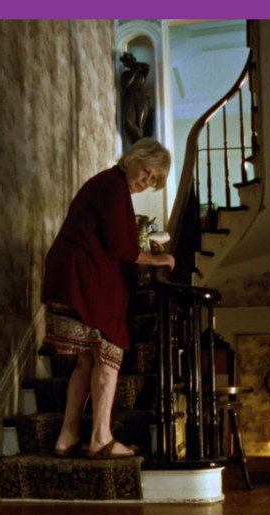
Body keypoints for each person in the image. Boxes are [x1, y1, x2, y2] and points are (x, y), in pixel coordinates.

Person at [42, 138, 175, 459]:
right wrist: (159, 260)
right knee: (107, 356)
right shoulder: (113, 187)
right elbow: (121, 247)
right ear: (132, 158)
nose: (146, 181)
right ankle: (101, 438)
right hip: (86, 281)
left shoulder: (107, 184)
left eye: (154, 179)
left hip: (73, 276)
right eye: (146, 171)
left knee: (86, 359)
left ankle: (67, 436)